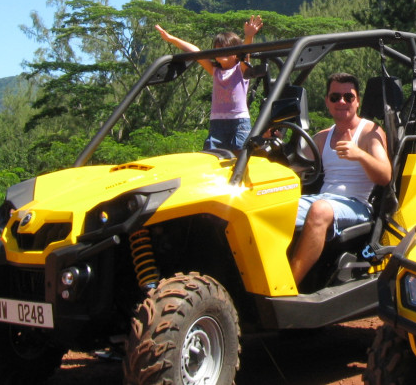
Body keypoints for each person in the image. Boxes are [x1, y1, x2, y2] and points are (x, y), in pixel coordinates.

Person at [289, 72, 391, 285]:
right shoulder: (322, 137)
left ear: (357, 101)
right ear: (327, 101)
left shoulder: (369, 133)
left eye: (348, 97)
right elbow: (292, 168)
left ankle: (289, 286)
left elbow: (384, 175)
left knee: (320, 209)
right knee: (271, 204)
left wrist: (360, 155)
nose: (342, 102)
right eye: (335, 97)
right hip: (325, 199)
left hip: (358, 205)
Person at [155, 15, 263, 152]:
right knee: (211, 153)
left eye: (226, 48)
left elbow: (245, 53)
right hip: (217, 122)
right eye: (218, 49)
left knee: (240, 153)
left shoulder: (240, 70)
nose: (221, 51)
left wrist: (249, 36)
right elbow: (196, 51)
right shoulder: (215, 70)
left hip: (238, 122)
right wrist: (171, 39)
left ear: (235, 53)